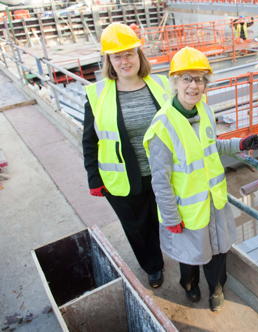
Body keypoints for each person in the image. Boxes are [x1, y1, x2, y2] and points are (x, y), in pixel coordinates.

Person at [143, 46, 258, 312]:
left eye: (199, 79)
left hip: (214, 200)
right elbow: (160, 180)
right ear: (174, 82)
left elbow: (212, 147)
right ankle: (190, 284)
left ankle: (217, 288)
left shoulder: (204, 110)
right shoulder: (163, 126)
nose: (193, 86)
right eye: (187, 78)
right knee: (191, 257)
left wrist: (240, 143)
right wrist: (171, 217)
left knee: (219, 252)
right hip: (186, 210)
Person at [82, 23, 171, 289]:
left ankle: (183, 259)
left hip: (164, 172)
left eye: (129, 53)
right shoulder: (97, 94)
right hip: (123, 178)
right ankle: (153, 266)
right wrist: (93, 178)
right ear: (108, 60)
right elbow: (90, 140)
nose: (124, 60)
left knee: (168, 218)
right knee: (138, 228)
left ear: (139, 54)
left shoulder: (163, 84)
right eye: (117, 55)